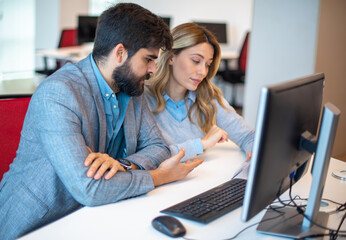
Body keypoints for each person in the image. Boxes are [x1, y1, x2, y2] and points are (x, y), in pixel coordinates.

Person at [0, 4, 203, 240]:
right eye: (148, 59)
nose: (153, 70)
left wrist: (123, 165)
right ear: (120, 53)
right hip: (38, 223)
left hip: (93, 216)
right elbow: (89, 189)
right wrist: (159, 176)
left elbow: (157, 146)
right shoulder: (59, 93)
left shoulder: (131, 88)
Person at [145, 23, 254, 162]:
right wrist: (201, 144)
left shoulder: (207, 96)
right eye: (196, 61)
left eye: (207, 64)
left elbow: (248, 136)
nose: (203, 72)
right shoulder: (143, 97)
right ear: (171, 57)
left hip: (200, 179)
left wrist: (254, 152)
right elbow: (145, 157)